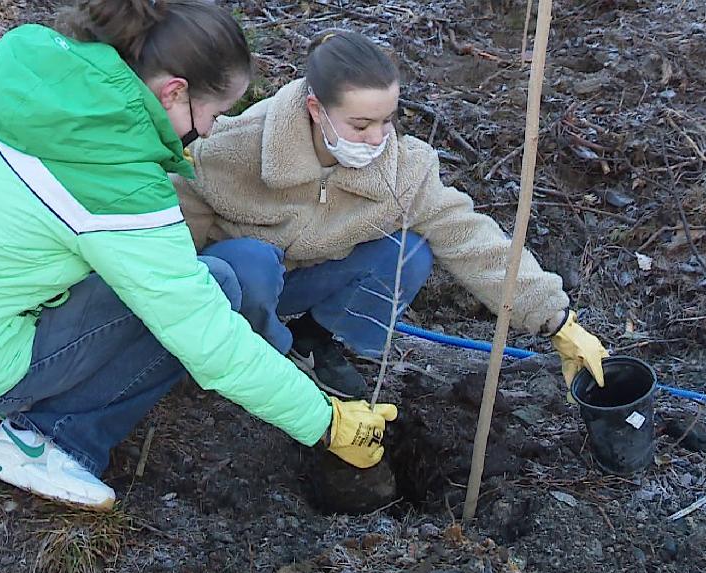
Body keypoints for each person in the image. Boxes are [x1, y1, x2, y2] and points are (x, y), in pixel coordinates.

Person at [0, 2, 397, 511]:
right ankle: (46, 440)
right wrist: (325, 421)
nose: (213, 130)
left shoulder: (35, 76)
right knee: (211, 288)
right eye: (214, 113)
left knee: (201, 279)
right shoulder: (115, 183)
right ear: (173, 91)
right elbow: (208, 340)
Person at [173, 29, 608, 400]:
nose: (377, 138)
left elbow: (469, 236)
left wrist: (555, 320)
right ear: (315, 110)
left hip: (304, 281)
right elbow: (172, 240)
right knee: (250, 263)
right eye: (360, 125)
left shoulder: (401, 169)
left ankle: (313, 343)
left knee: (410, 252)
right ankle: (261, 357)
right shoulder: (231, 148)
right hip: (233, 290)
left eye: (387, 121)